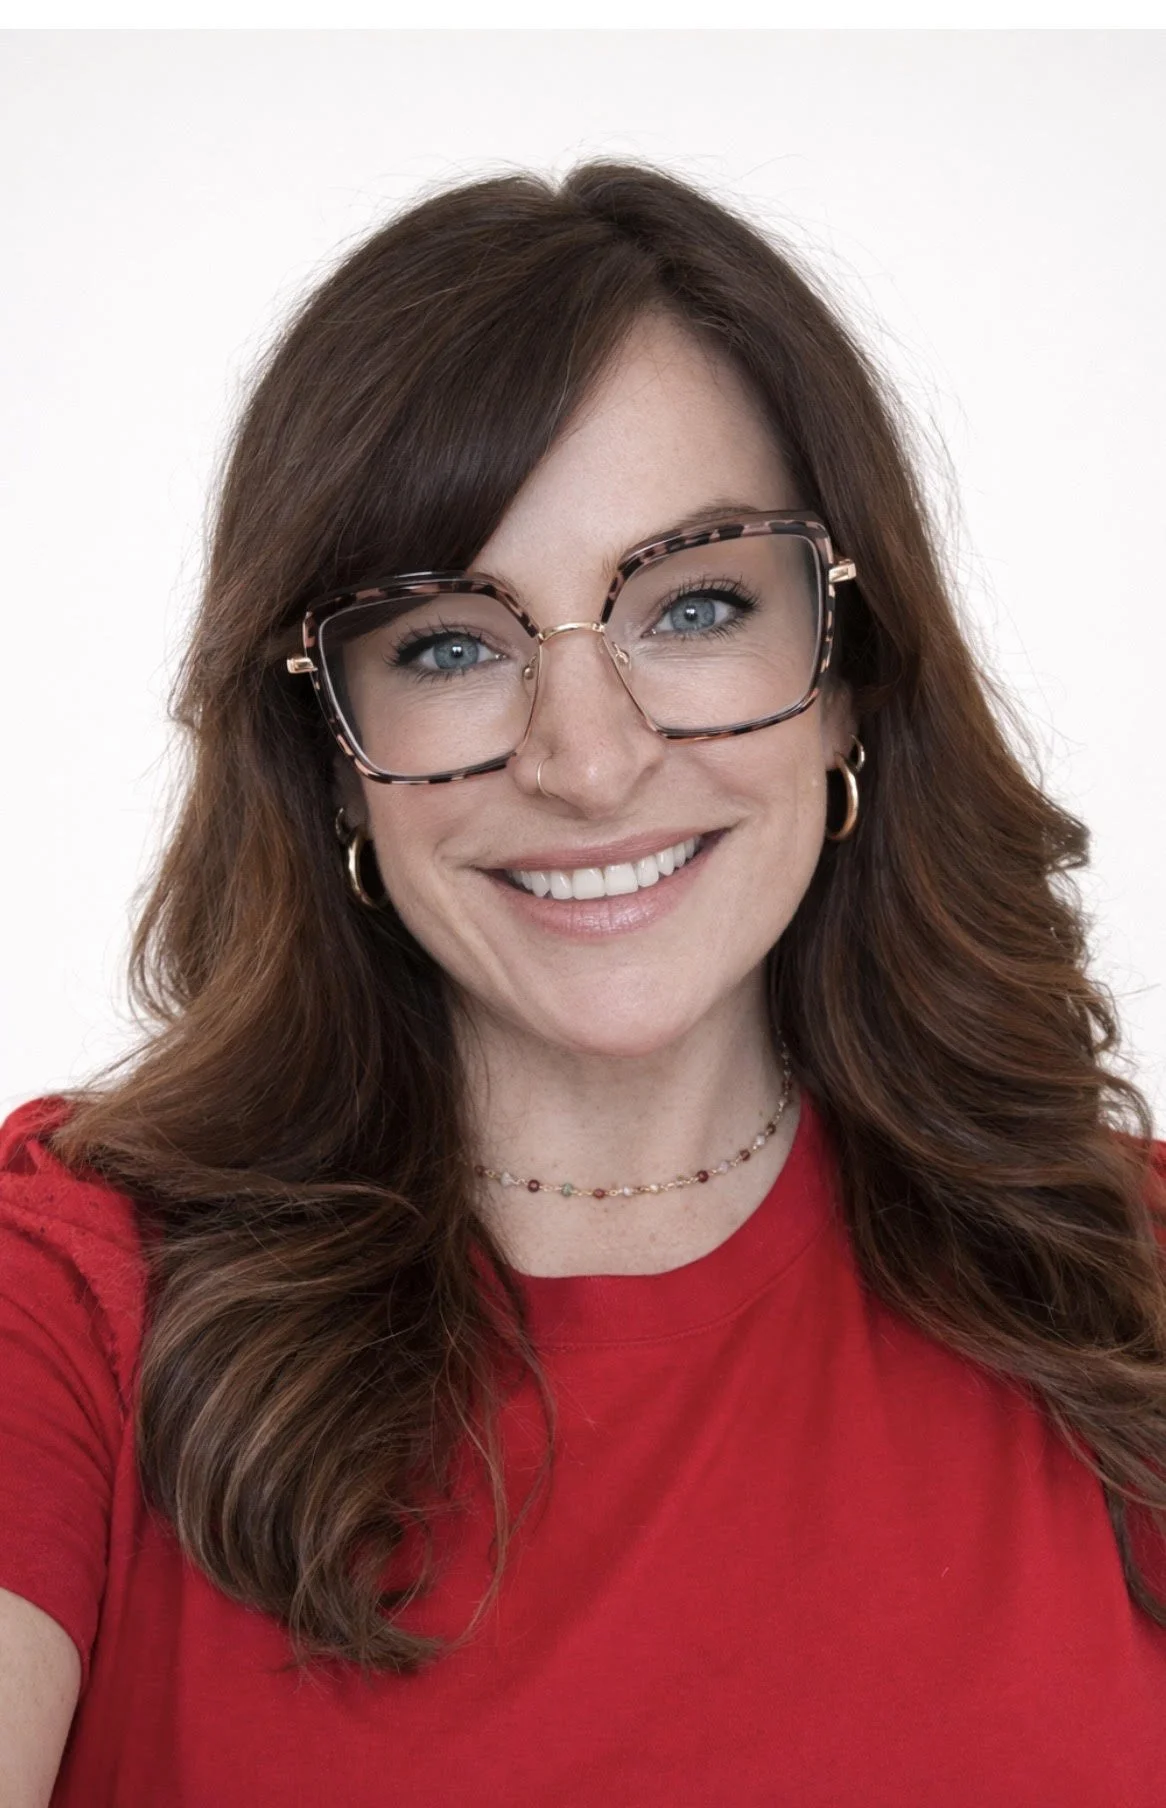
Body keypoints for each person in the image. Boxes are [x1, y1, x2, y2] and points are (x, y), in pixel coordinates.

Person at [1, 159, 1164, 1808]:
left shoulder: (1135, 1312)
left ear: (849, 680)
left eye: (694, 606)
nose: (590, 760)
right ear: (328, 753)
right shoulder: (69, 1309)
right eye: (449, 645)